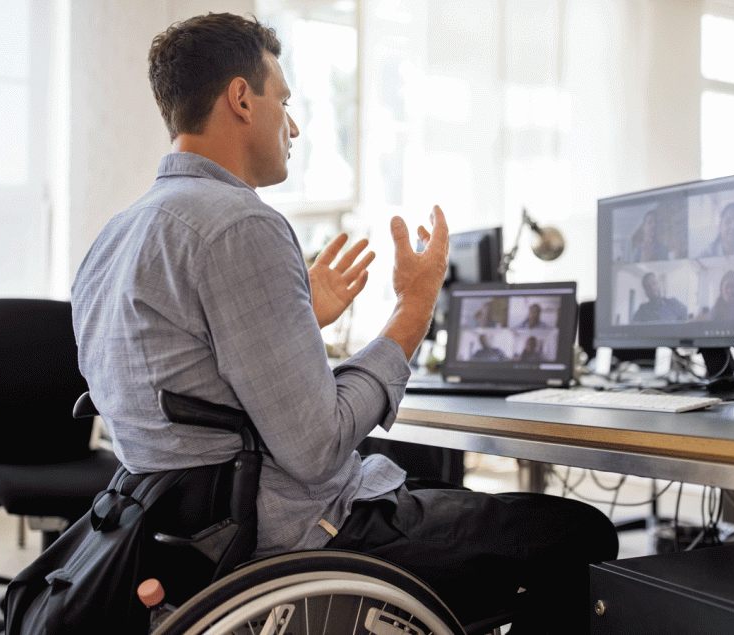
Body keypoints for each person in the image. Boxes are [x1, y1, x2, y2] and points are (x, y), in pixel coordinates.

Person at [70, 13, 615, 634]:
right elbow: (317, 446)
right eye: (284, 101)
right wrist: (412, 309)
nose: (293, 125)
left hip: (187, 542)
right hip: (298, 540)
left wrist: (298, 319)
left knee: (429, 479)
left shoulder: (114, 238)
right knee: (579, 532)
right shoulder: (240, 223)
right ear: (242, 99)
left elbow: (192, 391)